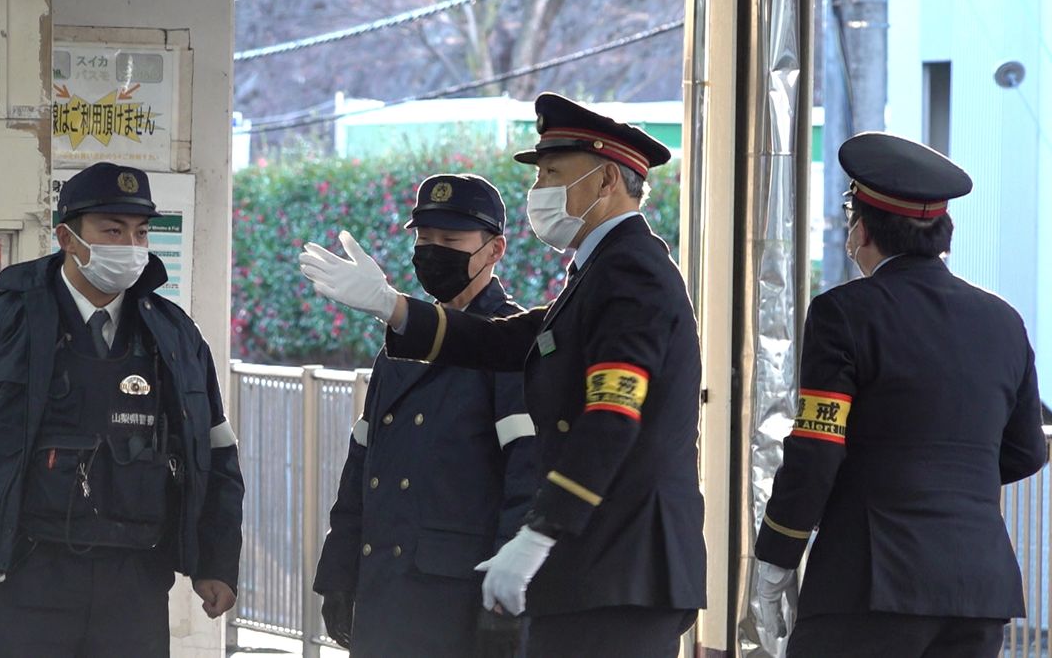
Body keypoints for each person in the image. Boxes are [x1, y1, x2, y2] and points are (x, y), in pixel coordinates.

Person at [300, 93, 705, 657]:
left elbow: (612, 417)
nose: (538, 190)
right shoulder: (598, 274)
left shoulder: (632, 273)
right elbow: (505, 339)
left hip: (622, 564)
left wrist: (540, 532)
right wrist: (392, 307)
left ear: (607, 178)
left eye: (552, 174)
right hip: (599, 565)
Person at [0, 162, 245, 656]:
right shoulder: (0, 322)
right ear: (66, 237)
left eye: (140, 232)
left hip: (135, 584)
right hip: (23, 574)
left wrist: (216, 562)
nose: (129, 247)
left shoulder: (175, 336)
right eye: (111, 230)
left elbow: (215, 455)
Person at [753, 133, 1048, 658]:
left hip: (869, 582)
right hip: (978, 586)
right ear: (942, 231)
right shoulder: (1002, 320)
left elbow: (818, 448)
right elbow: (1027, 448)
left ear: (861, 229)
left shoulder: (843, 313)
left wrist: (776, 555)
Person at [311, 173, 539, 657]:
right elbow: (362, 465)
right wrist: (339, 571)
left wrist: (503, 604)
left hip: (455, 600)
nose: (434, 251)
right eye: (425, 239)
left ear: (495, 250)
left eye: (451, 240)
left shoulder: (509, 341)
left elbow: (526, 481)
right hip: (384, 591)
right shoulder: (401, 342)